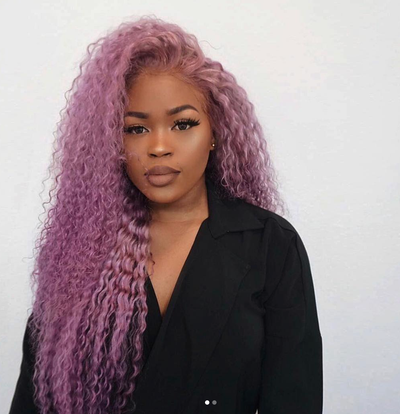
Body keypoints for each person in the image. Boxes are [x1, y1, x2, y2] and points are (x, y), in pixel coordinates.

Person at [9, 15, 323, 414]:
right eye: (136, 129)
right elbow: (35, 400)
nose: (159, 147)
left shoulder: (269, 245)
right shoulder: (80, 251)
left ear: (215, 132)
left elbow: (295, 398)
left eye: (182, 124)